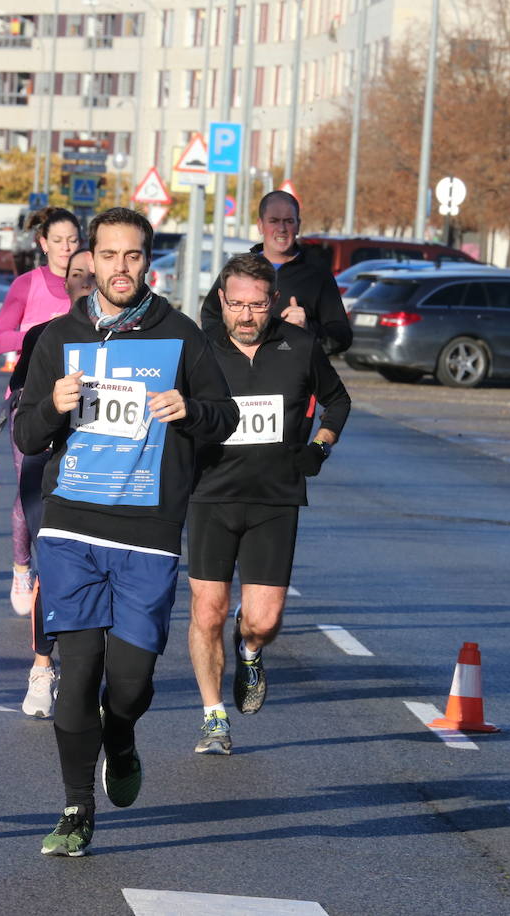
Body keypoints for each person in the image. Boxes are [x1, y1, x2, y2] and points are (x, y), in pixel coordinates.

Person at [13, 207, 238, 856]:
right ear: (92, 258)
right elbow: (27, 434)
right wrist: (53, 407)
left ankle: (124, 736)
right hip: (72, 531)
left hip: (147, 533)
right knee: (77, 678)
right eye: (108, 255)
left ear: (148, 262)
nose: (119, 268)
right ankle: (77, 807)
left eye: (132, 257)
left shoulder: (182, 336)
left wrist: (191, 410)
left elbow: (223, 419)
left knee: (132, 684)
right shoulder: (59, 336)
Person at [187, 253, 351, 755]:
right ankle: (214, 718)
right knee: (207, 611)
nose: (245, 316)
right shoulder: (199, 350)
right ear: (221, 301)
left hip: (275, 499)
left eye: (256, 306)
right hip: (211, 494)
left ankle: (251, 649)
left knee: (264, 620)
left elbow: (338, 400)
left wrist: (320, 445)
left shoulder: (299, 347)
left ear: (273, 303)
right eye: (236, 304)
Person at [3, 248, 96, 720]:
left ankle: (94, 674)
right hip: (50, 466)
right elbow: (22, 400)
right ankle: (43, 667)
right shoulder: (44, 335)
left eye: (91, 275)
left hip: (108, 474)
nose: (84, 282)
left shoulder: (132, 339)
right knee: (53, 567)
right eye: (76, 274)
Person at [0, 207, 84, 617]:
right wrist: (44, 331)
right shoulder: (28, 284)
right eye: (58, 240)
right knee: (30, 488)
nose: (66, 248)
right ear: (43, 244)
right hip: (31, 396)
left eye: (73, 240)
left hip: (82, 399)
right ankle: (21, 566)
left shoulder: (90, 283)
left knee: (72, 487)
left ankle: (64, 571)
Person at [200, 190, 352, 356]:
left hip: (292, 373)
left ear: (298, 225)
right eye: (274, 221)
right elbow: (210, 318)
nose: (282, 228)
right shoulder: (238, 269)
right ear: (260, 225)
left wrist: (307, 329)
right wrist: (234, 346)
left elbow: (341, 336)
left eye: (288, 221)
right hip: (241, 372)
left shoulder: (317, 273)